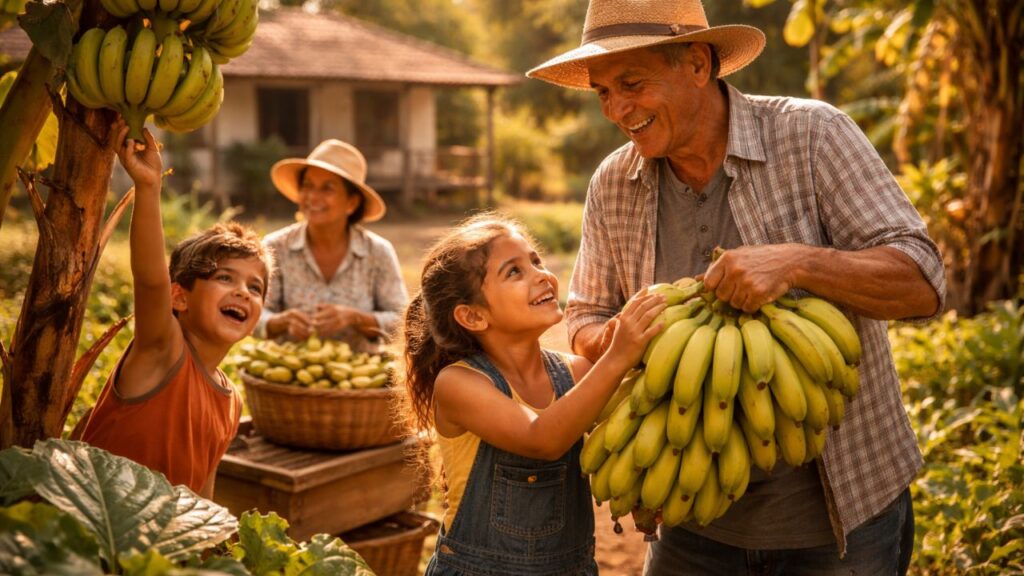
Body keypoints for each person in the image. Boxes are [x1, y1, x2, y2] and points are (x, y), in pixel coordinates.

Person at [526, 0, 946, 573]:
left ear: (698, 64)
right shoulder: (614, 183)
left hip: (842, 518)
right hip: (689, 513)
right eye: (603, 92)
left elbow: (923, 281)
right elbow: (586, 316)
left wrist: (799, 264)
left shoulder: (812, 136)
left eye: (632, 83)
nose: (617, 109)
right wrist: (624, 338)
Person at [398, 215, 667, 575]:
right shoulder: (460, 384)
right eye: (514, 272)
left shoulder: (576, 373)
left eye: (535, 260)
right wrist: (617, 356)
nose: (542, 274)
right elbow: (541, 438)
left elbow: (625, 443)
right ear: (473, 316)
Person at [78, 122, 274, 499]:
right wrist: (148, 186)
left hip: (158, 553)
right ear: (179, 297)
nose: (242, 293)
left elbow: (202, 494)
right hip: (91, 539)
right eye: (225, 278)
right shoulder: (162, 350)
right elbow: (151, 281)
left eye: (255, 287)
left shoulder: (231, 400)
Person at [257, 139, 408, 351]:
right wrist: (280, 322)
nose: (313, 197)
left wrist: (356, 318)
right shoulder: (276, 247)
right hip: (290, 375)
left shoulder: (377, 252)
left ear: (352, 203)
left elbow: (403, 322)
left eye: (327, 189)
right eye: (307, 186)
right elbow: (254, 314)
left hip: (360, 376)